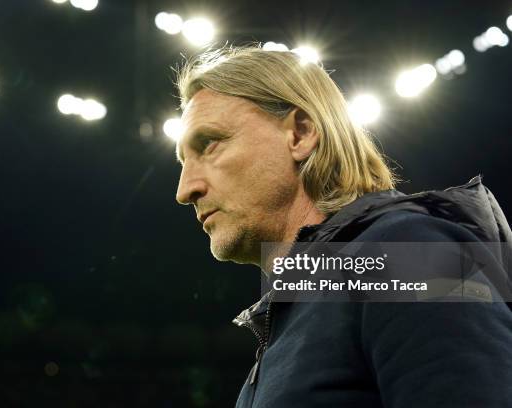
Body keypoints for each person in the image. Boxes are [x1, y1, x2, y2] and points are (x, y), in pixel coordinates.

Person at [173, 46, 512, 408]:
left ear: (300, 134)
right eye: (182, 161)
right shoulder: (295, 315)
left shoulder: (406, 254)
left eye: (209, 145)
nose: (184, 190)